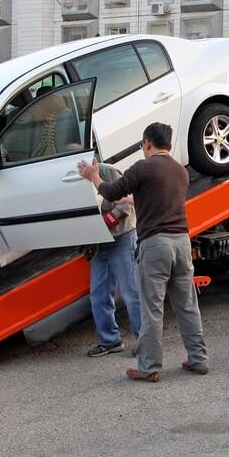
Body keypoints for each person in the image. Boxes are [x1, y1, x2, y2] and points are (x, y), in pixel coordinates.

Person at [77, 122, 208, 383]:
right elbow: (161, 200)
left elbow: (112, 191)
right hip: (182, 242)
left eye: (142, 145)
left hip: (156, 244)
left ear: (147, 143)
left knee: (152, 309)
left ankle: (149, 367)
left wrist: (94, 176)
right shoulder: (179, 172)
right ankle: (198, 359)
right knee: (188, 306)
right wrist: (132, 200)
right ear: (168, 144)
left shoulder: (143, 167)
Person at [86, 164, 142, 357]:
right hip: (99, 244)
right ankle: (110, 340)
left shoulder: (108, 172)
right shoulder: (72, 181)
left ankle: (145, 341)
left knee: (132, 293)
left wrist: (108, 220)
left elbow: (126, 203)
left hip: (122, 237)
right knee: (98, 294)